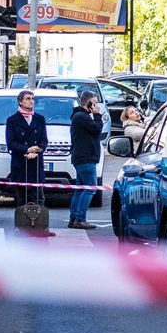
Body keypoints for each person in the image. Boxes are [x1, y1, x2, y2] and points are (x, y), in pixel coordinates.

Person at [5, 89, 48, 208]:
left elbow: (44, 140)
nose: (31, 101)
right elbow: (11, 142)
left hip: (36, 162)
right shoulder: (12, 120)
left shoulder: (40, 119)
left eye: (33, 99)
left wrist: (38, 150)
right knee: (21, 198)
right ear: (20, 102)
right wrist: (27, 150)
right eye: (28, 99)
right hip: (20, 162)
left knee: (38, 198)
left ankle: (39, 224)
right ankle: (22, 225)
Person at [68, 90, 103, 229]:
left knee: (80, 188)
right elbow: (97, 129)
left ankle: (74, 217)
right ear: (87, 102)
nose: (96, 106)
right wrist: (97, 115)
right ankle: (80, 218)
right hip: (85, 157)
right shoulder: (82, 117)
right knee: (90, 187)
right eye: (94, 103)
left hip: (82, 157)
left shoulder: (80, 116)